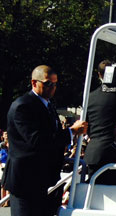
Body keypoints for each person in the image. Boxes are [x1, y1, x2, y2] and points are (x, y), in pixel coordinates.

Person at [5, 65, 88, 216]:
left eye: (55, 84)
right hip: (25, 180)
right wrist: (71, 131)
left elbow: (52, 134)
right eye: (48, 83)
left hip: (42, 179)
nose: (52, 88)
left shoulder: (48, 105)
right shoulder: (23, 106)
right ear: (34, 83)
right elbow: (37, 140)